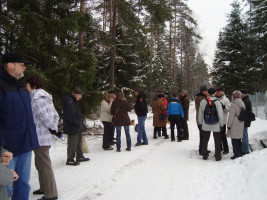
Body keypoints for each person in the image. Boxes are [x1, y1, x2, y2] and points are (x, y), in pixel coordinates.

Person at [0, 52, 40, 199]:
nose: (24, 67)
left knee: (24, 184)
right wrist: (2, 148)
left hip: (25, 147)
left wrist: (32, 140)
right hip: (7, 151)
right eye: (21, 64)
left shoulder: (22, 87)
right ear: (10, 65)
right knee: (6, 187)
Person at [26, 76, 60, 200]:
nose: (26, 89)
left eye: (27, 86)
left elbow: (44, 116)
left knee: (44, 165)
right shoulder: (46, 97)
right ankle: (44, 187)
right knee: (40, 163)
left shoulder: (36, 99)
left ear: (33, 86)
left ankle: (51, 193)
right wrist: (54, 127)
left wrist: (53, 128)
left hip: (40, 137)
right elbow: (55, 115)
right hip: (44, 136)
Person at [63, 87, 89, 166]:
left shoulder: (73, 101)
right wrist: (78, 123)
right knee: (72, 142)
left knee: (78, 141)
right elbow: (71, 116)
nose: (81, 97)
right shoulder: (69, 101)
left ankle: (80, 156)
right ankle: (70, 159)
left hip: (77, 125)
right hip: (72, 126)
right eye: (80, 95)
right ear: (75, 94)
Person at [198, 88, 224, 161]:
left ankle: (205, 154)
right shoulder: (217, 102)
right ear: (214, 93)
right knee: (217, 140)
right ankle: (217, 156)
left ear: (208, 93)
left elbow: (200, 113)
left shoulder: (203, 101)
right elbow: (220, 114)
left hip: (206, 124)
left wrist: (200, 123)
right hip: (216, 124)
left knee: (205, 140)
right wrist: (222, 124)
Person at [227, 90, 246, 159]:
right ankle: (239, 152)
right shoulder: (242, 103)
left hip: (234, 123)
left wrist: (228, 125)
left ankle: (236, 154)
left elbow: (231, 116)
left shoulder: (233, 105)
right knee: (238, 139)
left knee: (234, 140)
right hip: (240, 122)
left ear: (234, 96)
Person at [216, 88, 231, 154]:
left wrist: (224, 107)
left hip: (223, 120)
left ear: (222, 92)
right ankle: (219, 147)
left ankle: (226, 149)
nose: (217, 92)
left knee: (223, 136)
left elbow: (229, 109)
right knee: (217, 135)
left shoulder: (226, 99)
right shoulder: (216, 99)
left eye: (219, 91)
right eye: (217, 91)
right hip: (216, 120)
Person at [195, 85, 209, 155]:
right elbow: (203, 108)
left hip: (202, 119)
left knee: (204, 135)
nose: (207, 92)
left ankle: (203, 148)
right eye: (206, 91)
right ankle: (202, 150)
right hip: (201, 119)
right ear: (203, 91)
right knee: (203, 135)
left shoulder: (202, 97)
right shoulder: (200, 98)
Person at [240, 89, 253, 155]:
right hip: (246, 120)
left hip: (245, 120)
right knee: (244, 134)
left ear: (242, 95)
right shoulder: (246, 100)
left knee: (244, 135)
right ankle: (244, 148)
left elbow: (244, 112)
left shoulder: (245, 101)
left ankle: (245, 150)